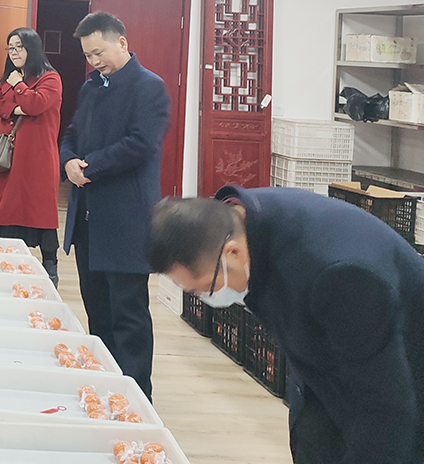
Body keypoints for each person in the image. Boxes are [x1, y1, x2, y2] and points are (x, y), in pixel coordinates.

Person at [147, 188, 424, 464]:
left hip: (403, 372)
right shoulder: (241, 221)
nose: (206, 299)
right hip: (332, 362)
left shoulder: (341, 275)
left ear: (232, 252)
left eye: (204, 289)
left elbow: (386, 412)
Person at [59, 11, 169, 400]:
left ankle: (136, 399)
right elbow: (71, 134)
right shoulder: (91, 87)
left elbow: (141, 145)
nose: (94, 61)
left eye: (99, 52)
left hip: (126, 220)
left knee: (129, 318)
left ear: (121, 43)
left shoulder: (149, 87)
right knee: (98, 315)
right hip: (88, 219)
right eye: (88, 56)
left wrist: (89, 167)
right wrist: (68, 161)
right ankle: (105, 392)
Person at [0, 28, 63, 285]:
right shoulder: (10, 77)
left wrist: (18, 86)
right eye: (10, 47)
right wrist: (17, 108)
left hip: (37, 158)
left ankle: (50, 267)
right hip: (11, 157)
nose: (14, 52)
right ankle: (5, 263)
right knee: (7, 207)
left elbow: (36, 104)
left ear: (32, 48)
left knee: (41, 211)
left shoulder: (50, 78)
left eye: (19, 46)